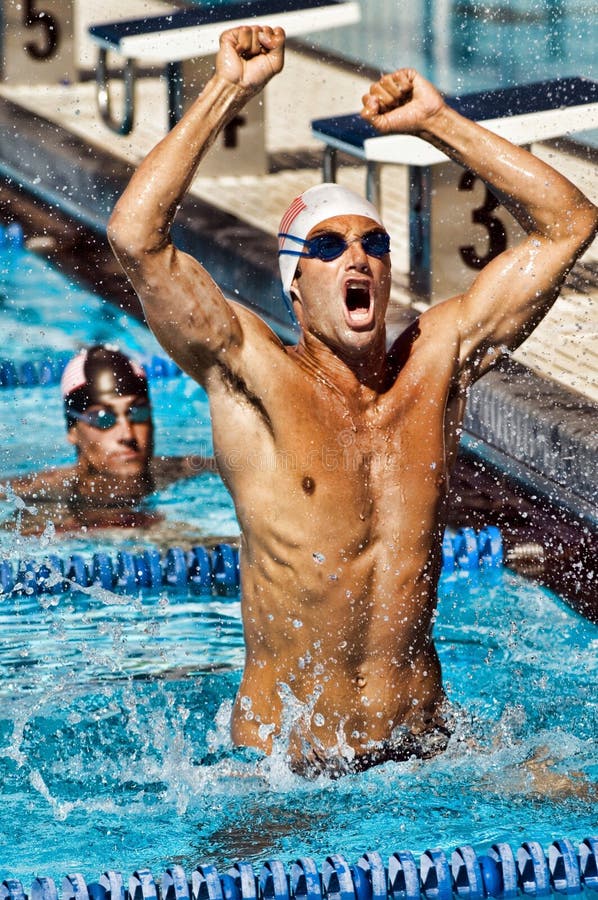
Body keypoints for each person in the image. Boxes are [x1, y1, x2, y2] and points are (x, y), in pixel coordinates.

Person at [106, 25, 598, 775]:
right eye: (328, 249)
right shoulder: (251, 374)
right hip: (287, 772)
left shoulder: (437, 366)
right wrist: (230, 88)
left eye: (372, 243)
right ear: (294, 286)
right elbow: (137, 238)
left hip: (426, 750)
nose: (357, 257)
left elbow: (571, 223)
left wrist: (437, 122)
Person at [5, 344, 215, 533]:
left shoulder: (183, 469)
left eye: (138, 413)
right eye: (104, 419)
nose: (127, 434)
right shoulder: (39, 495)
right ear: (73, 430)